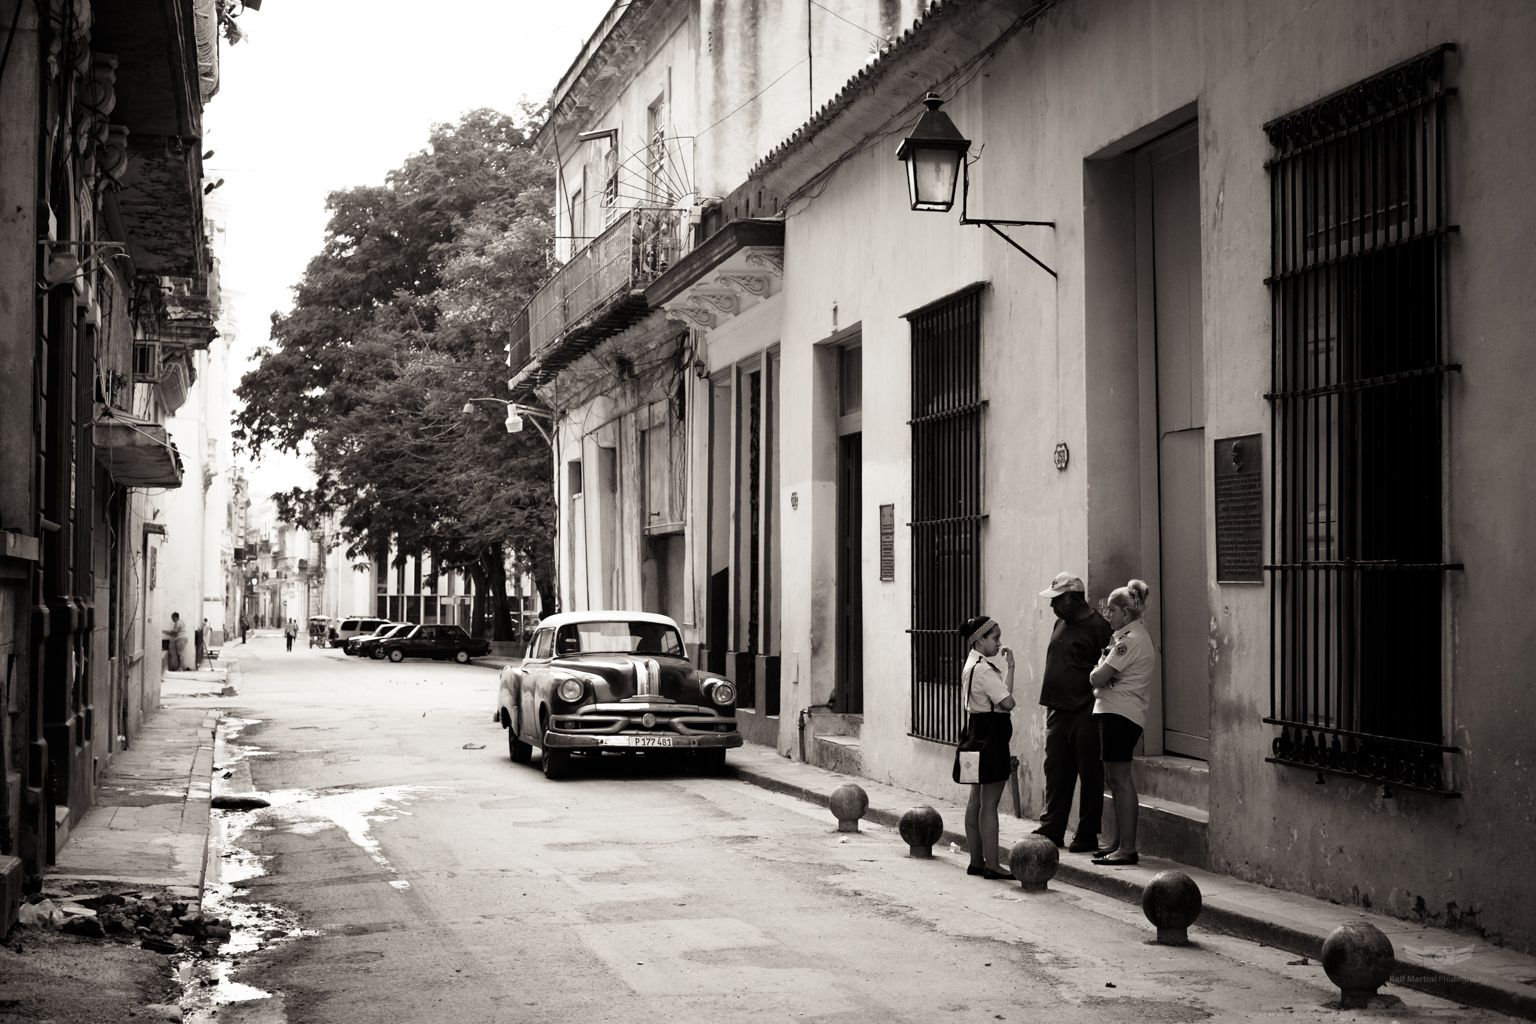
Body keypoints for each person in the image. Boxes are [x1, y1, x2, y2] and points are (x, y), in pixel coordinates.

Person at [1034, 572, 1114, 852]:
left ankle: (1088, 832)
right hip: (1058, 710)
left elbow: (1112, 670)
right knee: (1056, 771)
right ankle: (1052, 828)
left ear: (1071, 598)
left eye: (1056, 600)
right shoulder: (1061, 621)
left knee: (1090, 772)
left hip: (1086, 711)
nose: (1052, 606)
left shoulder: (1098, 627)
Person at [1089, 580, 1157, 865]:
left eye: (1112, 610)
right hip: (1113, 712)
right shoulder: (1122, 637)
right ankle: (1119, 842)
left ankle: (1127, 848)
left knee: (1120, 779)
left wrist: (1097, 672)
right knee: (1113, 779)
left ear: (1126, 614)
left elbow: (1097, 677)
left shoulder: (1129, 640)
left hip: (1121, 714)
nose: (1107, 615)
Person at [957, 615, 1017, 881]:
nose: (998, 642)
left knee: (976, 800)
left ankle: (976, 860)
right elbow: (1008, 703)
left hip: (975, 734)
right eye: (995, 637)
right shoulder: (983, 669)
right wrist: (1006, 676)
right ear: (980, 639)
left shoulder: (971, 664)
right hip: (991, 739)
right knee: (989, 804)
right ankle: (992, 864)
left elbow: (1000, 695)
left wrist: (1010, 668)